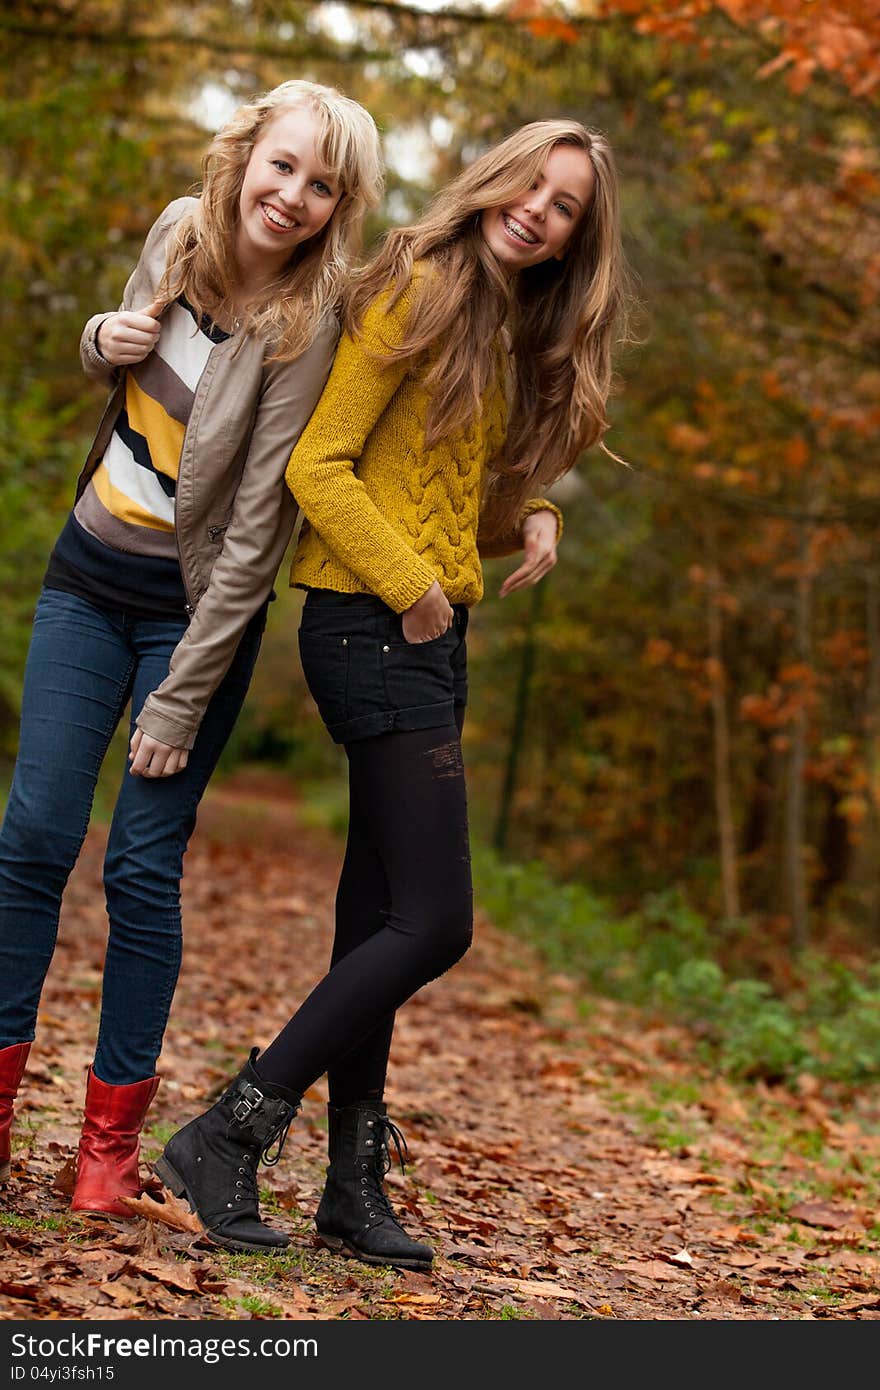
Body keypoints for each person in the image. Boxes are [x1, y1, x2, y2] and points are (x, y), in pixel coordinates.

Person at [155, 117, 628, 1265]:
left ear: (575, 237)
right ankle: (229, 1129)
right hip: (374, 626)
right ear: (495, 180)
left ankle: (350, 1191)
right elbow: (321, 464)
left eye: (564, 205)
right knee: (436, 921)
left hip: (420, 628)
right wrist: (415, 586)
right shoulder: (419, 280)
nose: (538, 210)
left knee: (377, 914)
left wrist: (535, 513)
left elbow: (437, 484)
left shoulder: (497, 313)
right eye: (531, 184)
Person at [0, 80, 383, 1220]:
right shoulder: (177, 230)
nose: (295, 195)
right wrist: (96, 337)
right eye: (284, 166)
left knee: (139, 870)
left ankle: (107, 1156)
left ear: (337, 206)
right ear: (246, 151)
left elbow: (257, 525)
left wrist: (183, 694)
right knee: (32, 839)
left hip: (193, 616)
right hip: (84, 577)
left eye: (323, 186)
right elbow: (125, 367)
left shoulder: (307, 326)